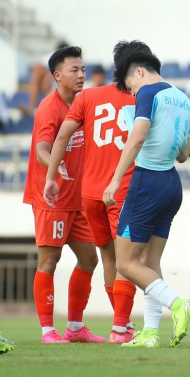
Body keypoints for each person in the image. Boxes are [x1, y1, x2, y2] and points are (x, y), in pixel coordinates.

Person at [103, 40, 190, 348]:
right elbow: (183, 154)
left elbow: (137, 138)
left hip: (147, 181)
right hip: (171, 185)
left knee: (125, 263)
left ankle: (177, 304)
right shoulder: (185, 101)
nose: (133, 94)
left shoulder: (147, 93)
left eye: (130, 87)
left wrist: (114, 181)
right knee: (150, 262)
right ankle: (151, 333)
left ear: (138, 72)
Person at [43, 55, 139, 343]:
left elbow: (62, 136)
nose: (82, 74)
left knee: (107, 257)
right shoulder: (141, 98)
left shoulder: (88, 97)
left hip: (89, 194)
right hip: (120, 191)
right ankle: (120, 328)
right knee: (128, 259)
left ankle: (120, 325)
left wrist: (51, 177)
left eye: (83, 69)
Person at [23, 45, 105, 344]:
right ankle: (48, 331)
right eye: (74, 70)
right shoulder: (50, 107)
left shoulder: (85, 103)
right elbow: (42, 150)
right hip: (52, 197)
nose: (81, 74)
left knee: (89, 259)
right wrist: (55, 168)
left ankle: (75, 327)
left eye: (83, 69)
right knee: (50, 260)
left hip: (78, 198)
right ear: (57, 75)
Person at [24, 41, 69, 115]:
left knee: (49, 75)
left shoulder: (71, 61)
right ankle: (32, 107)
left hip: (60, 88)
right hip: (49, 85)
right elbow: (38, 67)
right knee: (38, 70)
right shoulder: (52, 58)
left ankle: (40, 108)